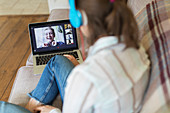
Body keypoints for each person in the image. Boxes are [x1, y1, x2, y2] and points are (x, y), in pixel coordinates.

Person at [0, 0, 150, 113]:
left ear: (78, 18)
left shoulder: (83, 78)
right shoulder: (136, 49)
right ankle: (32, 105)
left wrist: (52, 111)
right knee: (58, 60)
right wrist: (82, 66)